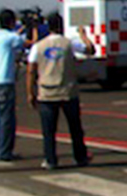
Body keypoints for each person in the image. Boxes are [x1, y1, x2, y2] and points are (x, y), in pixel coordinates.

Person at [26, 13, 94, 170]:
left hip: (47, 92)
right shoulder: (69, 44)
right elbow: (90, 50)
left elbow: (31, 70)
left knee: (49, 130)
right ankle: (80, 157)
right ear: (61, 26)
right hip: (67, 91)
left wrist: (30, 92)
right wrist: (83, 35)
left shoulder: (38, 46)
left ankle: (50, 159)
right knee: (75, 128)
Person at [0, 8, 24, 161]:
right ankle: (4, 152)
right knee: (7, 119)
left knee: (0, 117)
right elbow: (27, 42)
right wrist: (31, 29)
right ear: (11, 22)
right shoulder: (11, 38)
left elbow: (15, 37)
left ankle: (1, 148)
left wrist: (21, 29)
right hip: (5, 81)